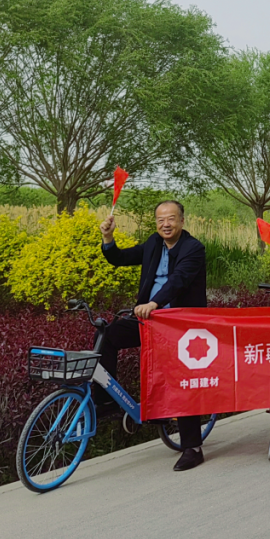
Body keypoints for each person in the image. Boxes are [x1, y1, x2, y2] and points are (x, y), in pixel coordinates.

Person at [98, 200, 208, 471]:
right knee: (109, 334)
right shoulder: (153, 244)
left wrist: (155, 303)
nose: (165, 224)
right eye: (160, 220)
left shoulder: (193, 248)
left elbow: (178, 280)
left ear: (182, 221)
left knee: (181, 379)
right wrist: (108, 238)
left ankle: (193, 448)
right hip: (150, 319)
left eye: (171, 219)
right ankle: (105, 400)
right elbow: (120, 258)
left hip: (180, 324)